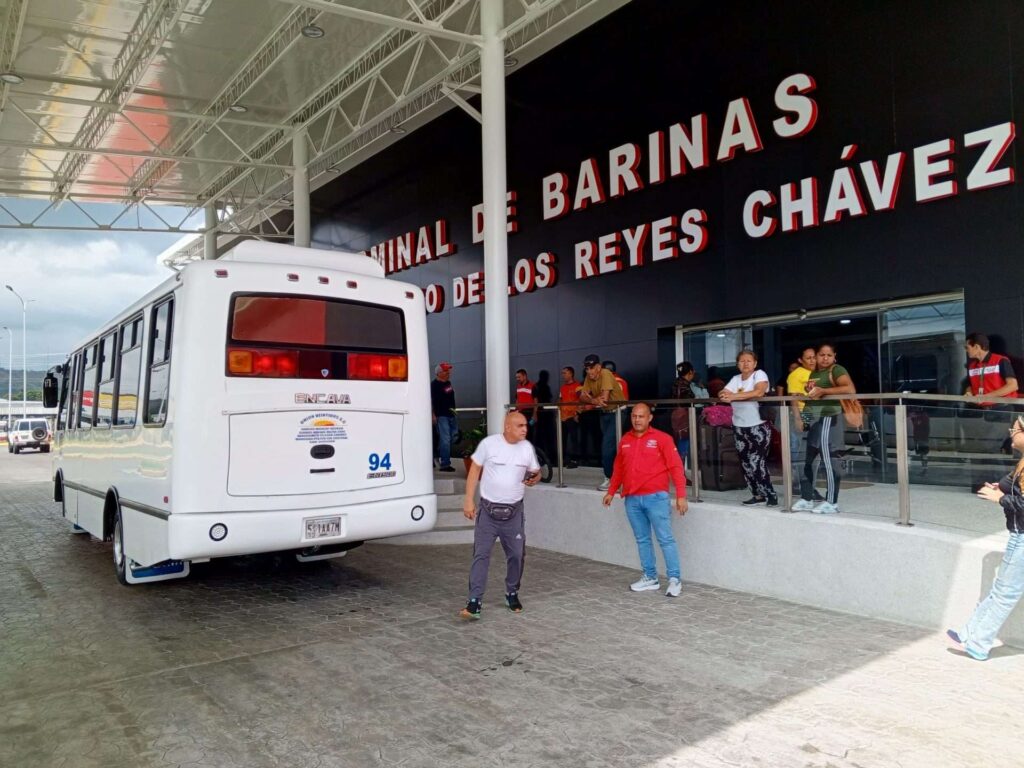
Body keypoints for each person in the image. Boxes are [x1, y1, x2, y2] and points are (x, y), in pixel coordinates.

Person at [948, 415, 1024, 660]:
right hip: (1018, 533)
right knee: (1001, 589)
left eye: (1014, 429)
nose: (1010, 433)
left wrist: (999, 499)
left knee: (1006, 593)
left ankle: (979, 645)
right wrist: (998, 488)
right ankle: (968, 634)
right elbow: (1008, 483)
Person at [459, 411, 541, 620]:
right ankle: (474, 601)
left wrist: (535, 478)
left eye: (525, 425)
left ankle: (511, 592)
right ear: (508, 427)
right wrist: (469, 499)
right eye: (520, 425)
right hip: (488, 512)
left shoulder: (527, 448)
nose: (525, 428)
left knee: (516, 555)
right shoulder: (489, 444)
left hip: (513, 514)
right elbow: (474, 470)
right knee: (481, 555)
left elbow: (536, 471)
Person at [602, 403, 688, 597]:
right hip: (632, 499)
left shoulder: (662, 439)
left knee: (665, 539)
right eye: (634, 416)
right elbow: (619, 469)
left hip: (656, 498)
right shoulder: (625, 440)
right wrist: (611, 491)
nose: (637, 420)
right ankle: (650, 577)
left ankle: (675, 580)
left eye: (641, 416)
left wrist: (681, 495)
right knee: (642, 540)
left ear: (650, 418)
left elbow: (676, 467)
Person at [792, 343, 855, 514]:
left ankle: (832, 502)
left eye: (828, 355)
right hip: (813, 418)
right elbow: (813, 400)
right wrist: (803, 419)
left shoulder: (836, 370)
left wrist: (823, 391)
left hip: (829, 417)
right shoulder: (814, 373)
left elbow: (849, 389)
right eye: (821, 355)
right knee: (808, 459)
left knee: (829, 460)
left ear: (834, 356)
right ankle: (807, 498)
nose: (824, 358)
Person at [718, 350, 778, 506]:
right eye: (742, 361)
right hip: (739, 425)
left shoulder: (760, 375)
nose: (745, 363)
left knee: (757, 461)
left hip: (757, 425)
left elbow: (758, 392)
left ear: (755, 363)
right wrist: (724, 394)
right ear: (738, 364)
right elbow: (724, 392)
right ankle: (757, 495)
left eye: (749, 361)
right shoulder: (735, 379)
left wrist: (732, 396)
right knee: (745, 462)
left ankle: (770, 494)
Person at [963, 332, 1019, 491]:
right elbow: (970, 385)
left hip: (1001, 411)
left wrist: (987, 396)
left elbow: (1012, 385)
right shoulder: (973, 366)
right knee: (983, 448)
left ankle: (999, 486)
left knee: (989, 447)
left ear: (977, 346)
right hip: (983, 413)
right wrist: (968, 392)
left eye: (967, 347)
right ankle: (982, 484)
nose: (966, 350)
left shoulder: (1000, 361)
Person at [579, 353, 625, 491]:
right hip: (604, 414)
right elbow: (582, 397)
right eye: (587, 369)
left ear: (599, 367)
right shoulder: (588, 377)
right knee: (610, 447)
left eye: (592, 368)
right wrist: (594, 400)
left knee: (607, 446)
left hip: (618, 412)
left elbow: (604, 399)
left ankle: (610, 479)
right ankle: (616, 477)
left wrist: (593, 399)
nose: (589, 371)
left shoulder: (605, 373)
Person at [786, 348, 823, 497]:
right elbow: (794, 397)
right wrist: (797, 418)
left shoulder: (819, 373)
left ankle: (808, 486)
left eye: (814, 357)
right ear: (801, 360)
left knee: (815, 452)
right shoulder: (796, 375)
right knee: (802, 452)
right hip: (804, 413)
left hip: (817, 414)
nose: (812, 360)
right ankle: (803, 486)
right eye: (808, 358)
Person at [430, 362, 457, 473]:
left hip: (452, 415)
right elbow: (430, 401)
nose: (448, 373)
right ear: (439, 373)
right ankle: (445, 464)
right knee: (445, 440)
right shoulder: (434, 385)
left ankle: (435, 455)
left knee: (453, 437)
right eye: (446, 371)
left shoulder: (448, 383)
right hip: (441, 416)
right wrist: (433, 415)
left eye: (448, 370)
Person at [671, 362, 697, 464]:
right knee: (683, 445)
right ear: (690, 372)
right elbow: (688, 400)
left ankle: (679, 473)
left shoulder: (676, 383)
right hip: (684, 418)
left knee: (679, 444)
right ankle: (680, 475)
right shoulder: (685, 385)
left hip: (676, 416)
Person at [559, 366, 581, 468]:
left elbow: (582, 400)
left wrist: (577, 413)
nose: (563, 375)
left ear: (571, 374)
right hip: (563, 417)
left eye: (565, 373)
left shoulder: (577, 386)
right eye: (562, 373)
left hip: (572, 416)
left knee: (573, 439)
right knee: (562, 439)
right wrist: (559, 413)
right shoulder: (562, 387)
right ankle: (563, 460)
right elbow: (560, 400)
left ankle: (574, 460)